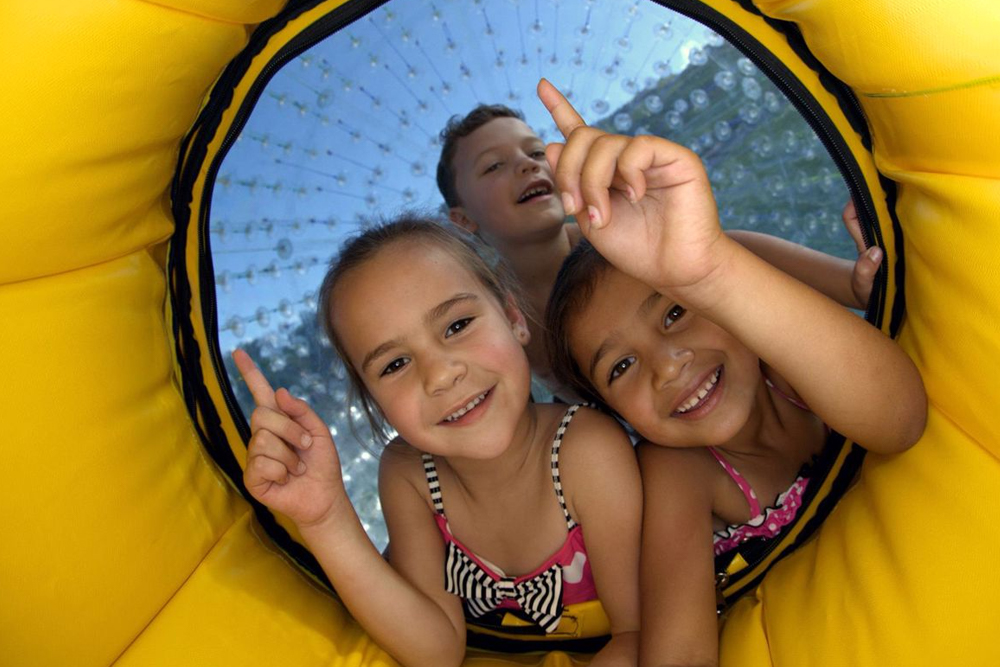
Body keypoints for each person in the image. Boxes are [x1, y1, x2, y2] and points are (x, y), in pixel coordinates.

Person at [537, 79, 927, 667]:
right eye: (621, 367)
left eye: (676, 312)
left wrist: (709, 271)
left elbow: (901, 419)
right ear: (616, 413)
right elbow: (679, 654)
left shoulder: (791, 364)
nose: (668, 365)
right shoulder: (679, 470)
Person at [233, 216, 641, 667]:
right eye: (395, 365)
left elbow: (638, 634)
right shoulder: (410, 474)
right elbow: (436, 652)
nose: (441, 375)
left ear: (513, 318)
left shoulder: (587, 451)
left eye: (457, 325)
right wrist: (326, 519)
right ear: (375, 404)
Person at [436, 105, 881, 394]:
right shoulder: (491, 320)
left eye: (536, 152)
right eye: (494, 166)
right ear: (463, 219)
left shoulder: (611, 234)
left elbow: (726, 256)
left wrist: (850, 284)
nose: (526, 164)